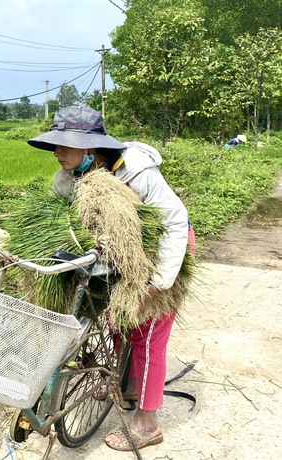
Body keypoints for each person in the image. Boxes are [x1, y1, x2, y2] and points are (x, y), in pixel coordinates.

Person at [27, 105, 193, 452]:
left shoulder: (136, 171)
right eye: (55, 143)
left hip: (163, 252)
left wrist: (157, 283)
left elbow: (175, 222)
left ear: (90, 148)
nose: (56, 151)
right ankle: (127, 383)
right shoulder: (69, 177)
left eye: (65, 144)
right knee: (116, 321)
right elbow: (59, 214)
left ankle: (147, 425)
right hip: (119, 255)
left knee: (147, 336)